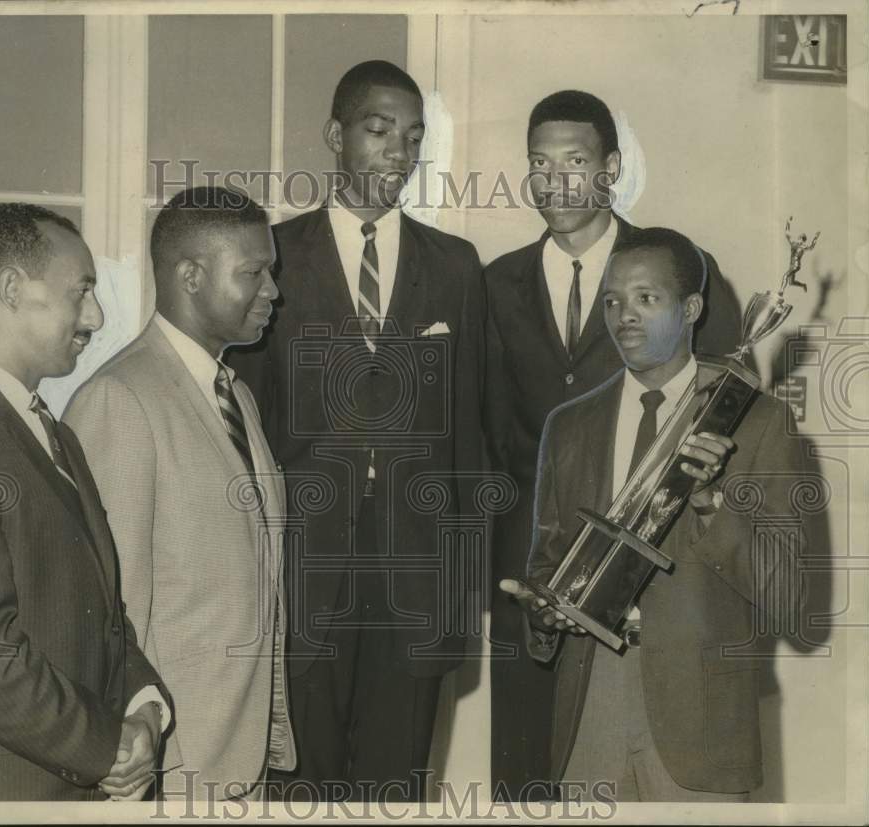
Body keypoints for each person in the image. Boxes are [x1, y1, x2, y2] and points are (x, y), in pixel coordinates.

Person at [229, 60, 485, 802]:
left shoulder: (455, 267)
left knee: (393, 788)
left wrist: (456, 597)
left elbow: (466, 436)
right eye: (379, 131)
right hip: (303, 573)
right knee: (300, 784)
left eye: (412, 137)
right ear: (335, 135)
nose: (397, 153)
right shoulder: (272, 255)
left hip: (416, 578)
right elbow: (248, 426)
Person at [482, 90, 747, 799]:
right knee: (528, 782)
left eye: (575, 162)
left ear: (612, 168)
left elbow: (727, 412)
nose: (555, 181)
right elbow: (482, 435)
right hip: (533, 588)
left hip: (658, 590)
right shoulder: (493, 282)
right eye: (539, 163)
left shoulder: (673, 267)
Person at [500, 227, 810, 802]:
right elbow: (547, 568)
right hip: (587, 708)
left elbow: (790, 597)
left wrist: (712, 506)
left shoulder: (757, 422)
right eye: (612, 300)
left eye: (648, 299)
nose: (625, 316)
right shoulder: (568, 426)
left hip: (703, 722)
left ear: (691, 308)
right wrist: (542, 615)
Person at [0, 203, 168, 801]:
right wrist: (104, 746)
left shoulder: (54, 433)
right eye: (82, 291)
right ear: (12, 289)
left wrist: (145, 706)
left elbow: (101, 615)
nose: (95, 314)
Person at [64, 187, 294, 801]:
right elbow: (110, 607)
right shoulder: (121, 399)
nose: (272, 290)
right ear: (189, 275)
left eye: (269, 271)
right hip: (170, 759)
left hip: (236, 755)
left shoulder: (235, 395)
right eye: (253, 272)